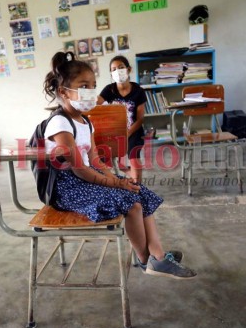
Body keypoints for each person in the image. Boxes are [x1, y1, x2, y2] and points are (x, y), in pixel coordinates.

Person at [41, 51, 196, 279]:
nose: (91, 91)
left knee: (139, 191)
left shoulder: (85, 121)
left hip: (87, 178)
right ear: (63, 91)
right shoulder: (59, 123)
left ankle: (158, 255)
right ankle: (149, 262)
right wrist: (114, 183)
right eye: (84, 85)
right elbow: (79, 169)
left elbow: (95, 160)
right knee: (130, 203)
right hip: (68, 188)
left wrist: (118, 179)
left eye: (93, 85)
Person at [98, 55, 146, 183]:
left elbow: (140, 119)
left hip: (134, 131)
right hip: (115, 132)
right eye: (113, 69)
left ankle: (138, 187)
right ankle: (128, 178)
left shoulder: (139, 91)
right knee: (113, 161)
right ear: (111, 73)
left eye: (120, 67)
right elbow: (95, 104)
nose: (117, 71)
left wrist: (128, 133)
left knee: (133, 157)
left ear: (128, 69)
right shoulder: (109, 90)